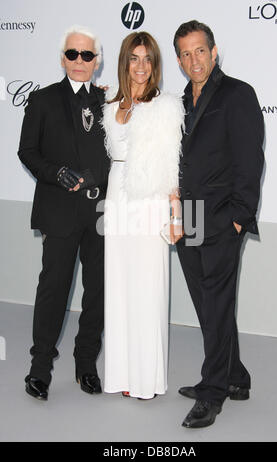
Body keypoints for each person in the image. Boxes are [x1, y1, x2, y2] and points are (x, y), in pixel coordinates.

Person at [173, 21, 264, 427]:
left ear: (214, 51)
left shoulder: (237, 94)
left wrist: (238, 220)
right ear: (179, 59)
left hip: (222, 218)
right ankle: (235, 377)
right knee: (208, 306)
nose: (194, 60)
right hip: (190, 218)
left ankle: (212, 392)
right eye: (186, 54)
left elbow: (251, 160)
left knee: (218, 302)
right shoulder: (182, 102)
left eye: (200, 51)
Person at [18, 25, 110, 401]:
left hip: (101, 214)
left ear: (97, 62)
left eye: (87, 55)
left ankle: (85, 364)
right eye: (72, 54)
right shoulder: (42, 100)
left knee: (97, 293)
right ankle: (39, 368)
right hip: (59, 212)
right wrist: (56, 173)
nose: (79, 61)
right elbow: (27, 151)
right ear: (62, 58)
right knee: (53, 290)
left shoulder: (109, 103)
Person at [102, 31, 184, 400]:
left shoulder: (165, 106)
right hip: (117, 196)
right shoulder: (109, 103)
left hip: (149, 202)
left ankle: (146, 379)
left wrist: (176, 215)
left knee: (149, 287)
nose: (140, 66)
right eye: (133, 58)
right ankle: (122, 375)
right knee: (119, 285)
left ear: (155, 65)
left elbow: (171, 167)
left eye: (147, 59)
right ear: (124, 62)